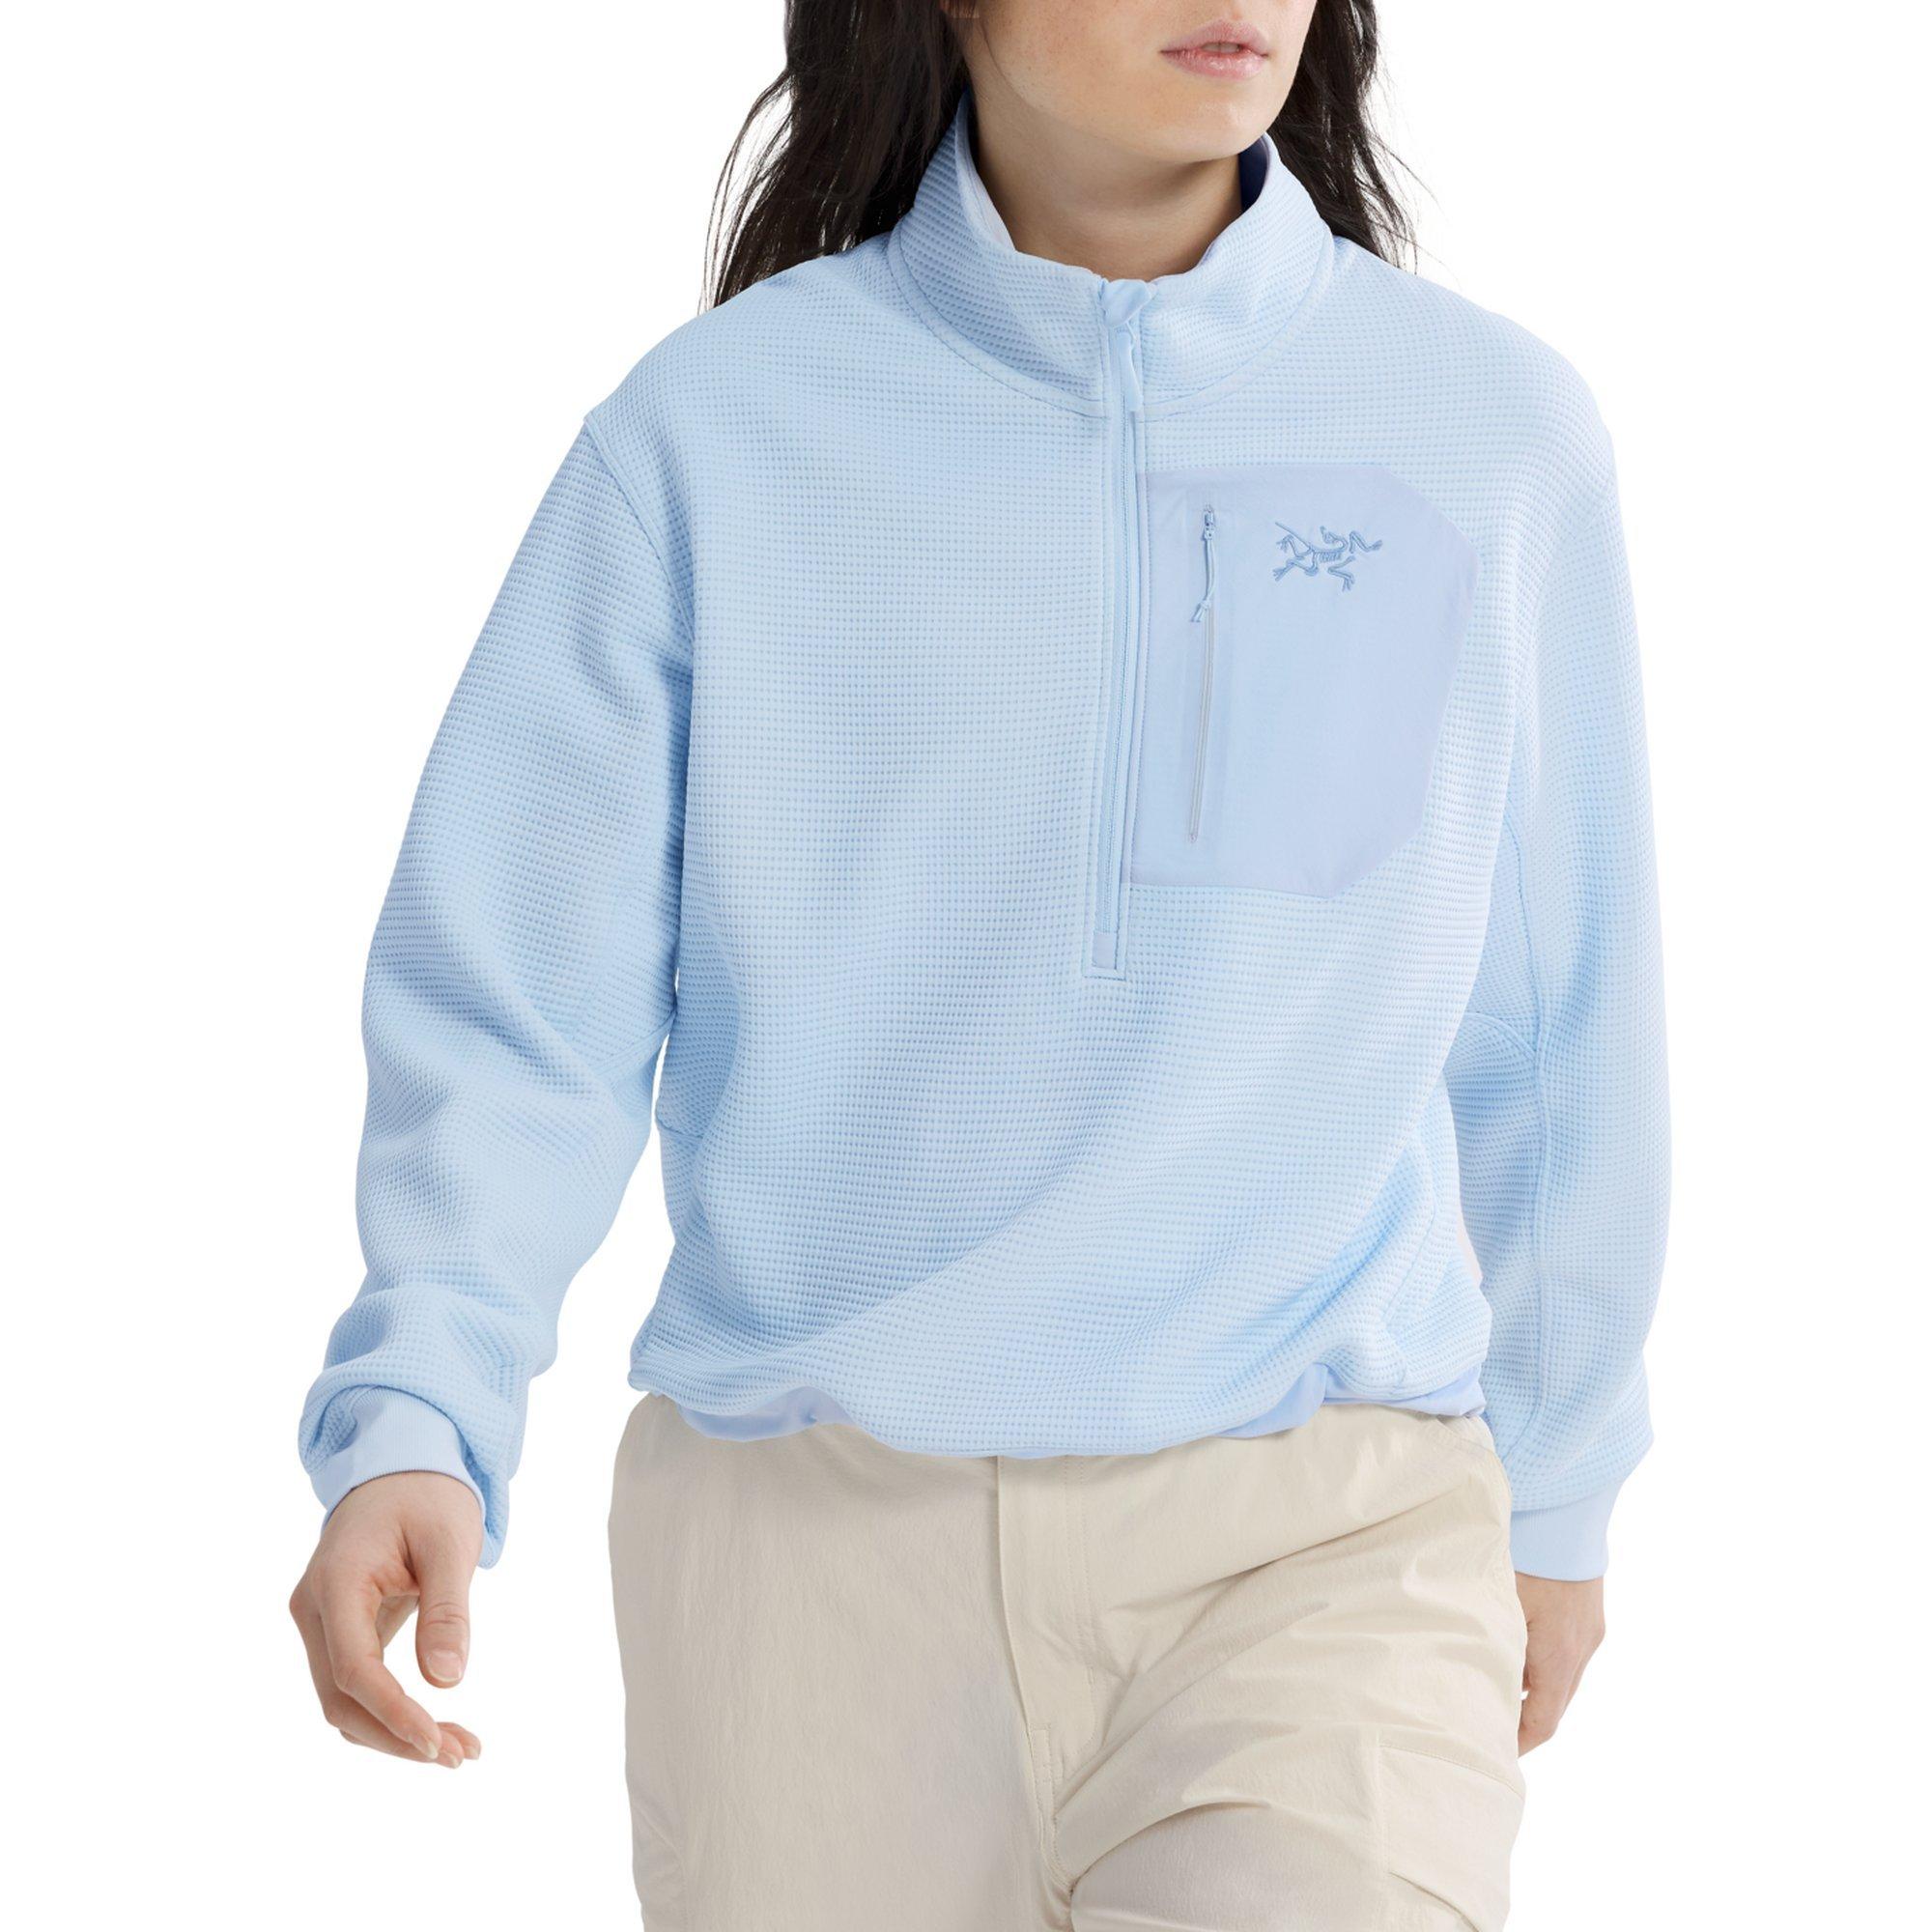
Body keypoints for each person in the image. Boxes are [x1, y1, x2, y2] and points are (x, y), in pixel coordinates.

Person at [290, 3, 1669, 1924]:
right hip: (799, 1566)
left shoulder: (1483, 431)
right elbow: (523, 996)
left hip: (1326, 1536)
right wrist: (420, 1415)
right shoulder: (712, 437)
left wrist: (1562, 1484)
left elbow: (1558, 1021)